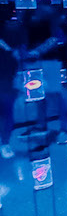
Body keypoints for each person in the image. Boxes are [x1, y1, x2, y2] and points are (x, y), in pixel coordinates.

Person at [25, 4, 67, 142]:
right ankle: (42, 125)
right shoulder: (32, 18)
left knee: (56, 95)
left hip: (49, 61)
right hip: (37, 61)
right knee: (40, 96)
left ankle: (63, 129)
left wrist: (36, 52)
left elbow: (57, 38)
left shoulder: (50, 19)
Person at [0, 14, 25, 159]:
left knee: (7, 113)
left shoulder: (15, 35)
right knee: (6, 113)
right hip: (8, 76)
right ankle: (4, 143)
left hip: (8, 77)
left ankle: (4, 143)